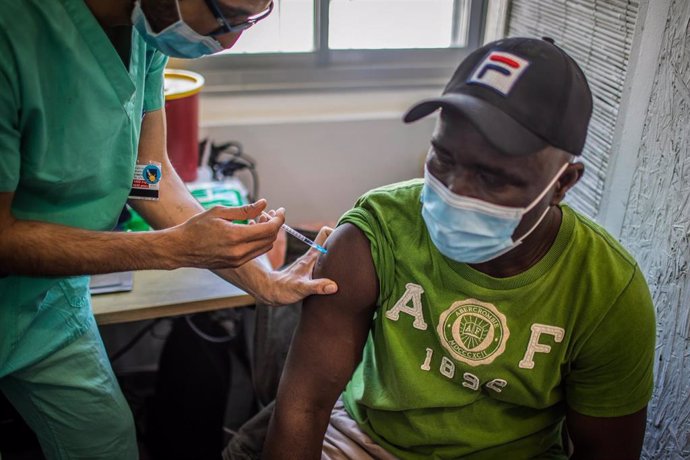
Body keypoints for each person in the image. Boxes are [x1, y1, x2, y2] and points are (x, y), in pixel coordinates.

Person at [225, 37, 657, 459]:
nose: (454, 191)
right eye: (443, 158)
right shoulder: (375, 233)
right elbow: (306, 405)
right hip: (362, 441)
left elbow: (607, 450)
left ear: (562, 182)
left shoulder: (606, 292)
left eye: (492, 177)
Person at [0, 1, 337, 458]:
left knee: (106, 442)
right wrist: (171, 249)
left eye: (251, 21)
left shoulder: (146, 31)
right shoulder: (13, 32)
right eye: (227, 15)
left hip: (47, 302)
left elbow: (146, 175)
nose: (231, 39)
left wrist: (263, 280)